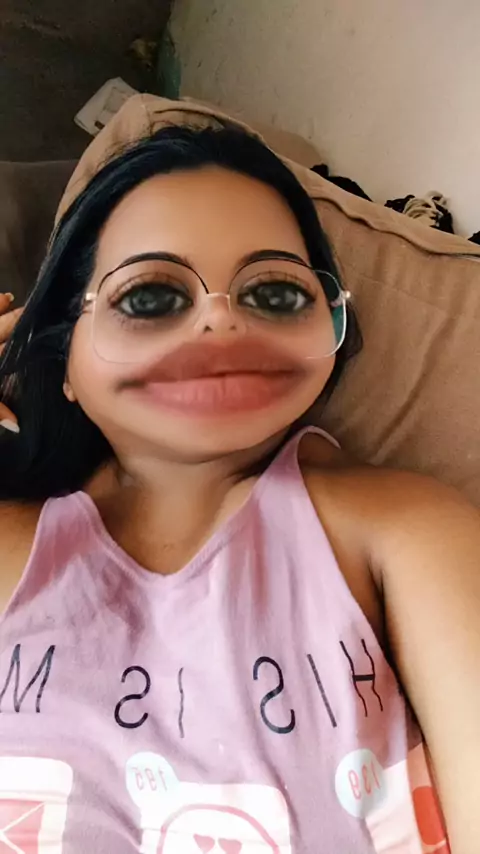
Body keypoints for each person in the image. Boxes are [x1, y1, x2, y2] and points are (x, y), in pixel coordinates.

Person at [0, 125, 478, 854]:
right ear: (64, 358)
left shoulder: (408, 529)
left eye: (277, 293)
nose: (221, 319)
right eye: (150, 296)